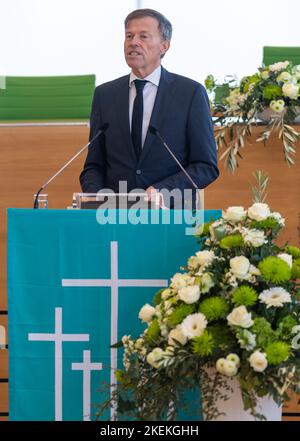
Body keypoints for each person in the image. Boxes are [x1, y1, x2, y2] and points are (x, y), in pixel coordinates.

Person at [80, 8, 219, 208]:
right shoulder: (105, 94)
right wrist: (95, 195)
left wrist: (163, 191)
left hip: (171, 214)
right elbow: (94, 164)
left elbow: (205, 166)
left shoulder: (190, 93)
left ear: (164, 46)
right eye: (129, 36)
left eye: (143, 36)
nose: (134, 42)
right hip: (113, 215)